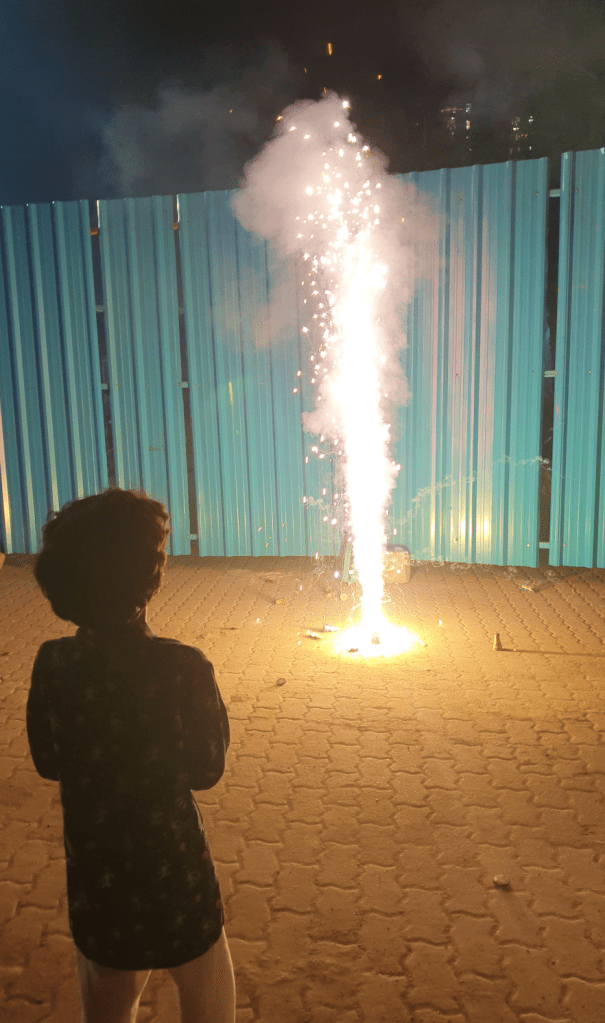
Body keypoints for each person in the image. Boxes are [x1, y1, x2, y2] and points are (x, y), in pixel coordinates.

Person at [26, 488, 235, 1023]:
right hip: (176, 875)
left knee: (107, 1005)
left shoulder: (53, 663)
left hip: (100, 880)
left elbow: (48, 760)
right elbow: (207, 770)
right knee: (206, 986)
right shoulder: (183, 667)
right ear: (148, 579)